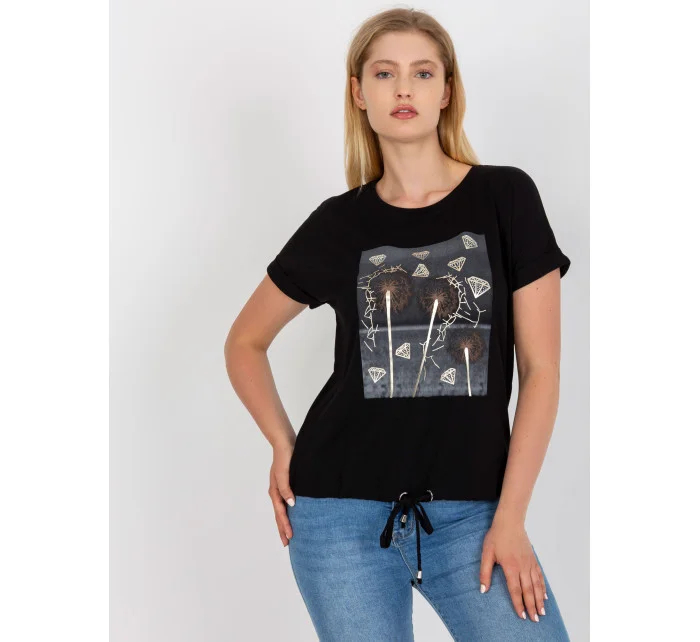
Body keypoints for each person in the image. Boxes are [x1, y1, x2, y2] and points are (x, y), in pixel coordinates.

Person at [224, 7, 572, 641]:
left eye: (422, 72)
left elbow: (541, 370)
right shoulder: (338, 223)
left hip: (474, 517)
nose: (404, 88)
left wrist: (511, 518)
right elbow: (245, 342)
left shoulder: (506, 197)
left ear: (447, 91)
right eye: (384, 73)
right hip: (340, 518)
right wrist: (281, 442)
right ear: (359, 93)